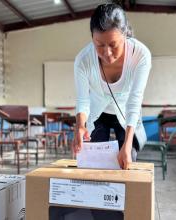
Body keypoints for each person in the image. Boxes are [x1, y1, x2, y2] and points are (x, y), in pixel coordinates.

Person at [73, 3, 152, 170]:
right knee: (95, 161)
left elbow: (134, 102)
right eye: (99, 45)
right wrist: (80, 126)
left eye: (113, 45)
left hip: (126, 112)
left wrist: (128, 146)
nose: (107, 53)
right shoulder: (83, 60)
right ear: (92, 38)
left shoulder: (140, 55)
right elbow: (83, 100)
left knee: (127, 158)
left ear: (124, 36)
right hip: (98, 113)